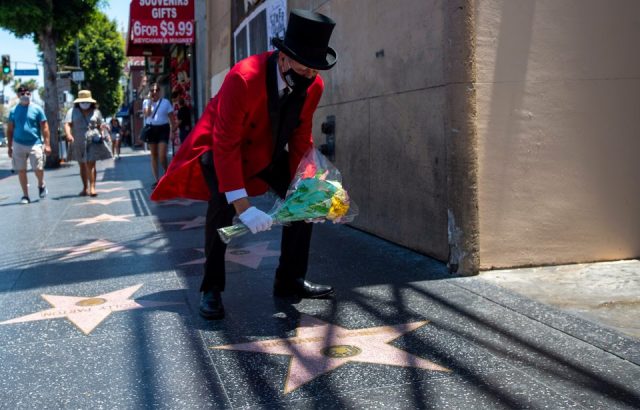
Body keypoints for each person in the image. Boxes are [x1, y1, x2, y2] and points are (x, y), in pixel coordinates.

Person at [151, 9, 338, 320]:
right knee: (221, 212)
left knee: (302, 205)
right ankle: (211, 288)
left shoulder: (313, 85)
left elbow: (301, 140)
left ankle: (289, 280)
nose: (310, 75)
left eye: (315, 69)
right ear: (284, 57)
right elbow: (226, 144)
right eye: (305, 67)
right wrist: (243, 206)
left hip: (269, 151)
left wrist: (309, 190)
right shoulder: (243, 77)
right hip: (223, 151)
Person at [6, 86, 51, 204]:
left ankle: (41, 184)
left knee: (38, 168)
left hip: (34, 143)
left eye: (26, 92)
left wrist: (47, 144)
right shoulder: (13, 111)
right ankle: (25, 195)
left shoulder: (37, 109)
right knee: (21, 170)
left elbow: (45, 127)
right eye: (21, 93)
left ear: (30, 94)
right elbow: (10, 130)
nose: (24, 94)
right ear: (18, 95)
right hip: (18, 144)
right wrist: (10, 147)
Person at [64, 90, 110, 197]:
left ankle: (92, 188)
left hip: (92, 140)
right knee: (82, 165)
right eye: (82, 101)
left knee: (91, 164)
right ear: (78, 102)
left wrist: (103, 129)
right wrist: (68, 134)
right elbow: (67, 124)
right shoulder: (72, 111)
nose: (85, 103)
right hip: (78, 141)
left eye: (86, 101)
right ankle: (85, 188)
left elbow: (100, 124)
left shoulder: (96, 112)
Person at [142, 83, 178, 187]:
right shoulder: (146, 102)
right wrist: (149, 101)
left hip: (163, 129)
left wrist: (173, 131)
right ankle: (157, 180)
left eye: (157, 90)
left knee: (162, 155)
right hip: (151, 129)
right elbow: (147, 114)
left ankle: (167, 173)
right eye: (152, 90)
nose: (154, 92)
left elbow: (172, 118)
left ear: (160, 91)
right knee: (154, 155)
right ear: (150, 91)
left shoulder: (165, 102)